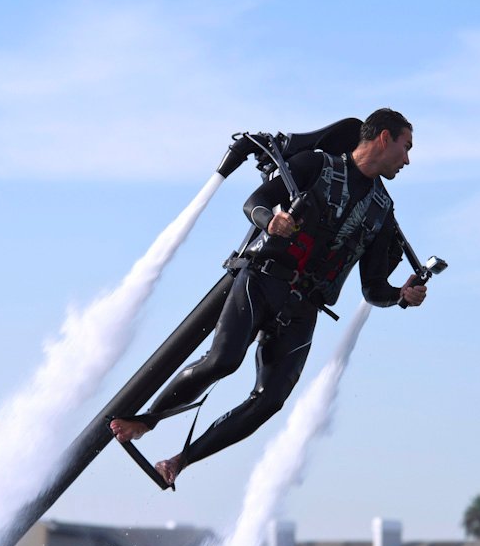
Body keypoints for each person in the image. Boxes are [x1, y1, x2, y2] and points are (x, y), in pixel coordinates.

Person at [110, 108, 427, 486]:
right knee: (223, 361)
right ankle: (147, 421)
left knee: (270, 400)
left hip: (304, 307)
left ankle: (179, 462)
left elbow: (373, 287)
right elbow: (255, 202)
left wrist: (401, 295)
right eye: (406, 147)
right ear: (384, 138)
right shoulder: (317, 165)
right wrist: (269, 220)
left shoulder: (381, 211)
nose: (407, 160)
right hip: (263, 278)